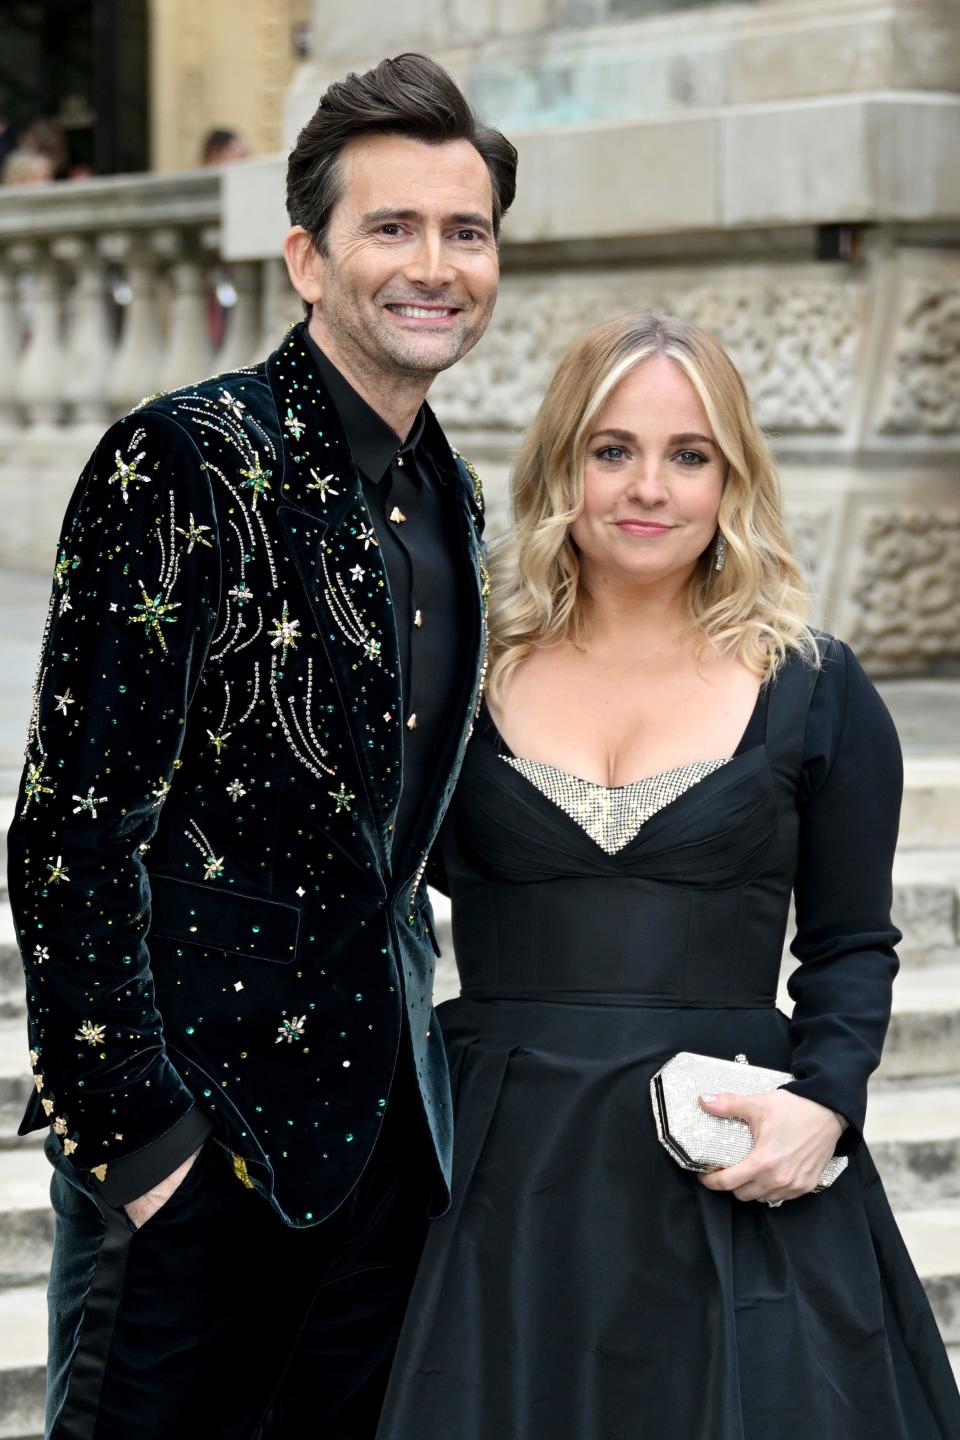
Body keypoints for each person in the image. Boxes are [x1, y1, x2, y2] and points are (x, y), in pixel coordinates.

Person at [7, 52, 516, 1440]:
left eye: (465, 231)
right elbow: (68, 830)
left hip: (385, 1157)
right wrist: (139, 1145)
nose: (435, 264)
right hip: (197, 1155)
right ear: (307, 254)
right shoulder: (175, 462)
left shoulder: (453, 499)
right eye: (392, 227)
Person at [375, 313, 960, 1439]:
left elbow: (850, 944)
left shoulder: (816, 684)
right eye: (613, 451)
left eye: (689, 455)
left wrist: (827, 1108)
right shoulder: (452, 669)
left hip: (731, 1158)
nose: (649, 487)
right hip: (496, 1175)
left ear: (732, 477)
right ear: (563, 466)